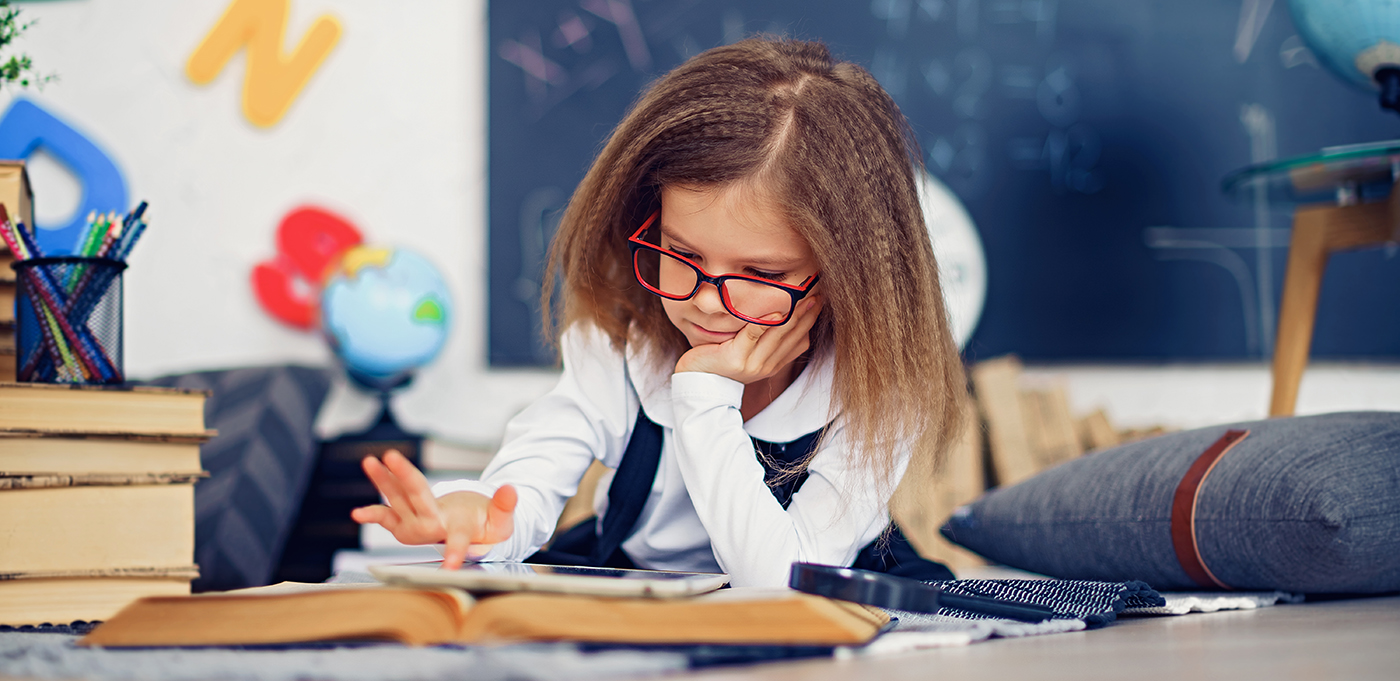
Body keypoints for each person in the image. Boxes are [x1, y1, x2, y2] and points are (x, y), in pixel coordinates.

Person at [351, 36, 968, 588]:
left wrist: (705, 393)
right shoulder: (620, 346)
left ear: (843, 276)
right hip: (639, 585)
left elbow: (778, 580)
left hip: (823, 590)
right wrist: (476, 516)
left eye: (761, 274)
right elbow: (523, 490)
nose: (703, 300)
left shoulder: (876, 389)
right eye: (681, 253)